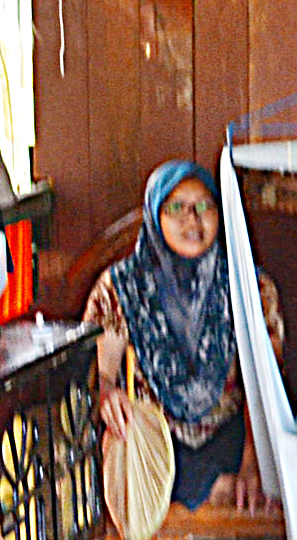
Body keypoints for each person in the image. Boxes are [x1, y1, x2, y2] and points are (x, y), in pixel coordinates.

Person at [88, 160, 281, 514]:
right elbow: (102, 372)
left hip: (234, 438)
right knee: (129, 446)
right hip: (156, 441)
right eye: (177, 207)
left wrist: (253, 463)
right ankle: (208, 487)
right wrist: (107, 393)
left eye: (205, 206)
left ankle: (215, 484)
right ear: (155, 216)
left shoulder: (250, 286)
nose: (193, 221)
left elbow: (266, 391)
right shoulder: (120, 287)